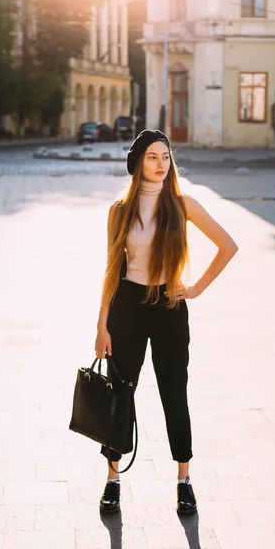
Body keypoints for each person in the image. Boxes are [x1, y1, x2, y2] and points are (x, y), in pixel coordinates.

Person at [94, 130, 238, 515]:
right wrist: (101, 324)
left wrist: (195, 289)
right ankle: (112, 479)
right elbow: (112, 269)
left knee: (175, 391)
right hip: (127, 306)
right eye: (153, 157)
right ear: (138, 161)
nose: (161, 164)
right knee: (120, 392)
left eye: (166, 156)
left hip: (169, 307)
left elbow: (228, 246)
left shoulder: (182, 204)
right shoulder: (119, 210)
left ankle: (184, 479)